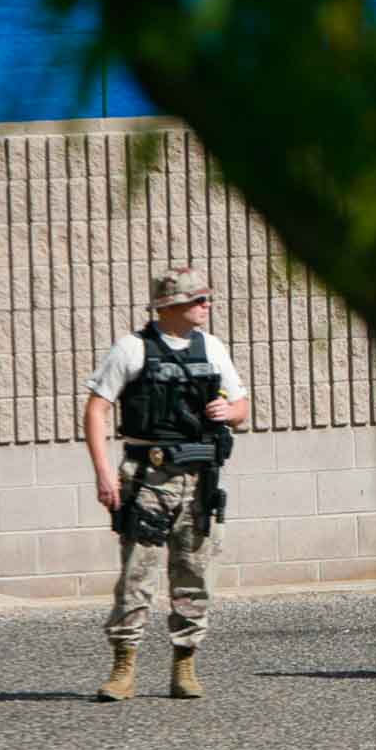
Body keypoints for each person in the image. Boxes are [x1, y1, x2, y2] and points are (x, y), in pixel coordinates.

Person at [83, 265, 250, 701]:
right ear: (170, 306)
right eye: (197, 300)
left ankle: (185, 666)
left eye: (205, 299)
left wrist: (229, 413)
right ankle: (123, 668)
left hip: (198, 479)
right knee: (137, 574)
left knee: (194, 574)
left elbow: (242, 404)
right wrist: (104, 473)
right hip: (147, 478)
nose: (205, 306)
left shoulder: (211, 347)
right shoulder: (132, 349)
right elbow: (97, 409)